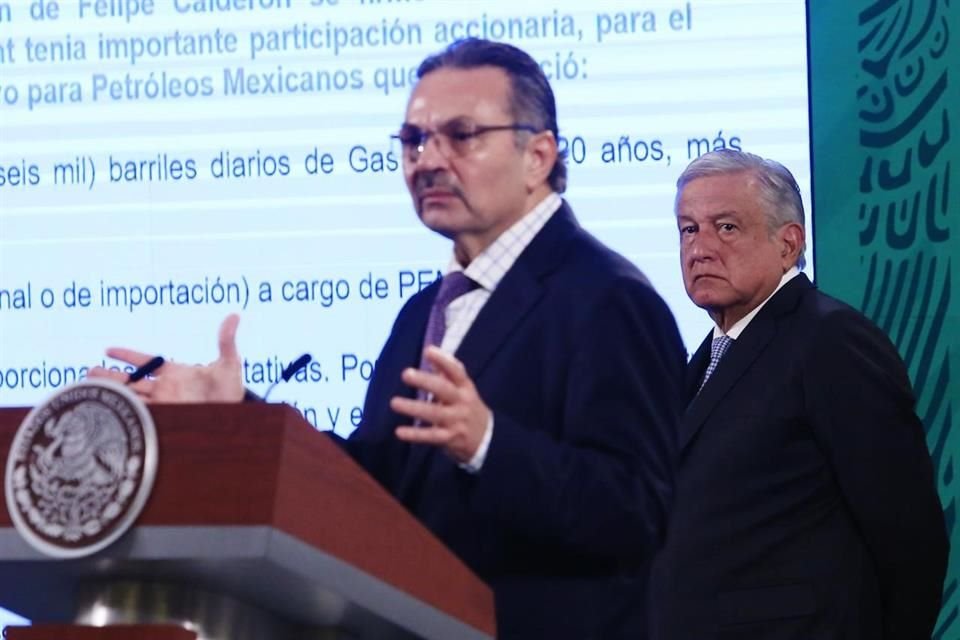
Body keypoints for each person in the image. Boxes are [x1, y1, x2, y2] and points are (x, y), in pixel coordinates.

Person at [91, 38, 686, 638]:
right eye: (414, 140)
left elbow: (635, 514)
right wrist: (234, 418)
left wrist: (488, 444)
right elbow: (375, 488)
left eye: (462, 135)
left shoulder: (607, 299)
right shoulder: (424, 312)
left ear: (537, 155)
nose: (428, 158)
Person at [649, 149, 948, 639]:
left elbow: (909, 535)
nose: (700, 249)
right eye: (689, 229)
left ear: (788, 244)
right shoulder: (709, 356)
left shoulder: (831, 341)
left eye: (725, 227)